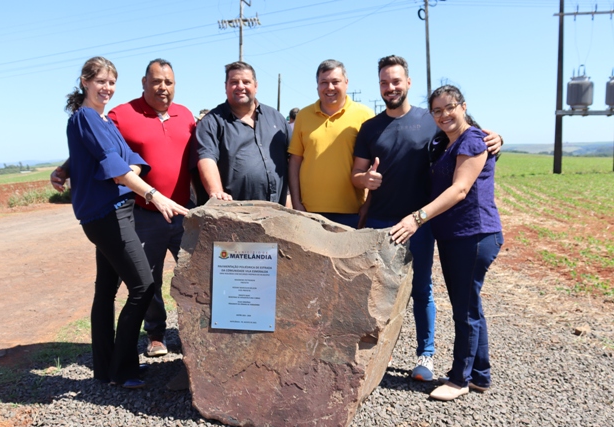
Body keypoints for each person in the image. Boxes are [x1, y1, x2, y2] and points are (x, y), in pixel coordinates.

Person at [352, 55, 503, 382]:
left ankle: (426, 354)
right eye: (384, 82)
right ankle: (377, 353)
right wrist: (364, 180)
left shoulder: (431, 122)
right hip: (380, 220)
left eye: (396, 81)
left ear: (408, 83)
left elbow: (468, 142)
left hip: (420, 224)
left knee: (421, 289)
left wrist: (497, 141)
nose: (390, 87)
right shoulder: (369, 128)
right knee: (378, 292)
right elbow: (356, 174)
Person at [53, 59, 196, 358]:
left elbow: (124, 158)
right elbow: (99, 151)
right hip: (134, 212)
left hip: (177, 211)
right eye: (156, 81)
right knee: (146, 283)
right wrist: (68, 169)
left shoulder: (184, 115)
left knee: (110, 290)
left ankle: (110, 366)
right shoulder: (116, 115)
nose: (162, 87)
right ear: (144, 82)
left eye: (168, 82)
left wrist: (126, 168)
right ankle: (142, 345)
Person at [389, 84, 503, 401]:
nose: (443, 115)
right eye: (437, 110)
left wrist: (416, 218)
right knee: (469, 306)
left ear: (463, 106)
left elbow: (460, 189)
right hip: (455, 237)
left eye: (449, 107)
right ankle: (480, 375)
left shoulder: (472, 140)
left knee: (464, 311)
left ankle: (459, 379)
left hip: (475, 235)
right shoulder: (442, 142)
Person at [288, 59, 374, 228]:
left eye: (336, 82)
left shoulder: (365, 115)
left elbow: (375, 166)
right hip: (309, 212)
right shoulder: (303, 116)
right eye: (324, 82)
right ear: (317, 86)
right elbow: (295, 162)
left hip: (352, 213)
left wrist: (367, 206)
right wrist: (297, 203)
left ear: (346, 83)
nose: (330, 87)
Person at [193, 61, 290, 205]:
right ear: (225, 86)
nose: (240, 86)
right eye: (234, 82)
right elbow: (206, 158)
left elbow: (291, 160)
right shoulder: (211, 122)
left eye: (246, 82)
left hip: (278, 213)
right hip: (234, 214)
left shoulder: (276, 118)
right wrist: (217, 193)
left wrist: (290, 202)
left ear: (255, 86)